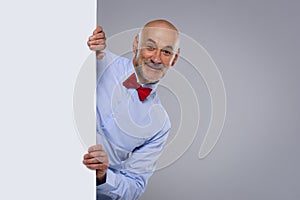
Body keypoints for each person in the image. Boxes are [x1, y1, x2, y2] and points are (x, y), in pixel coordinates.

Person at [82, 19, 180, 200]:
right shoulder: (98, 60)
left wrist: (103, 176)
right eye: (150, 47)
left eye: (166, 52)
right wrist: (84, 41)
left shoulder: (160, 125)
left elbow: (134, 186)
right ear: (136, 44)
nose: (156, 58)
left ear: (175, 58)